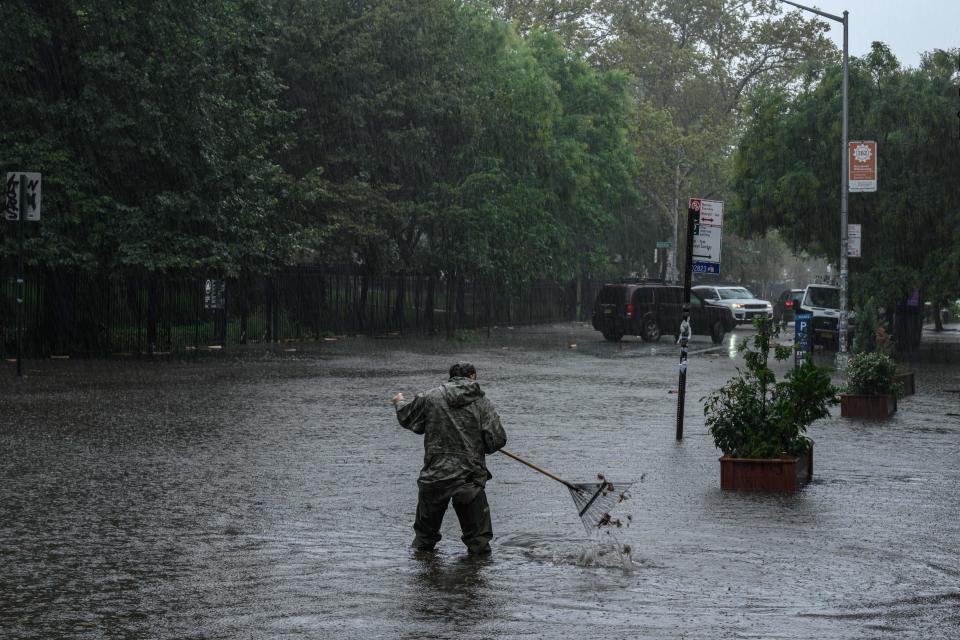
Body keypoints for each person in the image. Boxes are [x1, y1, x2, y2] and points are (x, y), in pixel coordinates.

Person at [391, 362, 507, 555]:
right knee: (478, 544)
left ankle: (424, 581)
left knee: (424, 541)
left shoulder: (430, 397)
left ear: (450, 377)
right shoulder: (481, 402)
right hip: (469, 479)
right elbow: (497, 440)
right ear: (473, 376)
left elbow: (407, 418)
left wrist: (398, 401)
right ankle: (476, 581)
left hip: (434, 476)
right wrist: (479, 443)